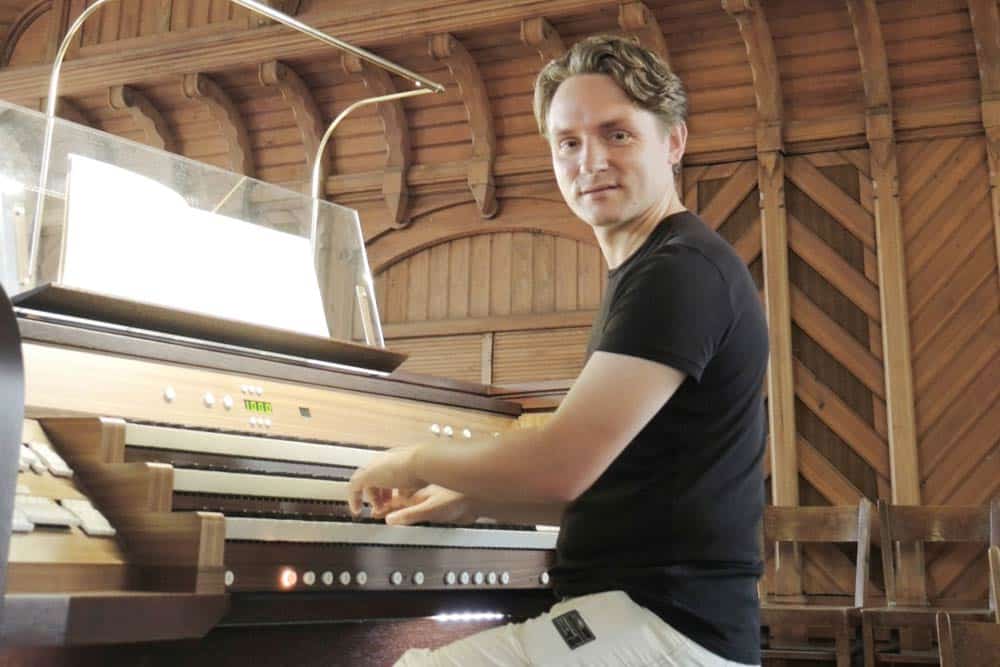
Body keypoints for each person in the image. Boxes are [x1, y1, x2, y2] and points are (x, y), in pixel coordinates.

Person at [348, 34, 768, 667]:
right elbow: (609, 482)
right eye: (568, 142)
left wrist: (415, 459)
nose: (589, 159)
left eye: (616, 134)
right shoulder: (658, 266)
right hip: (637, 615)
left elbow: (561, 465)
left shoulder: (678, 271)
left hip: (667, 626)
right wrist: (476, 497)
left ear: (673, 141)